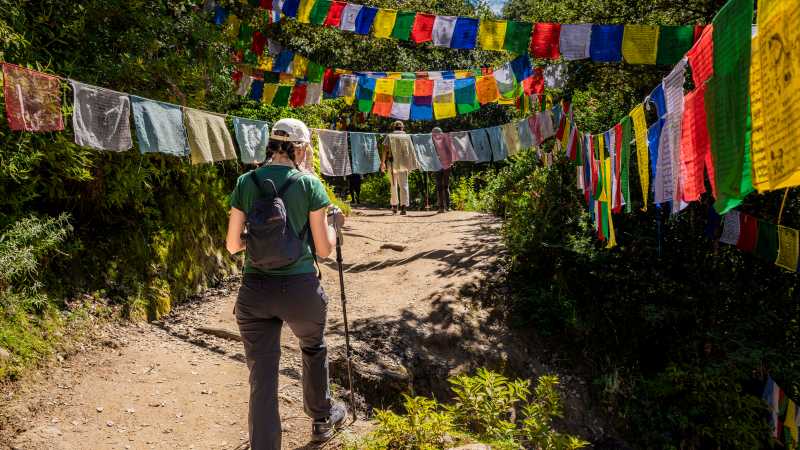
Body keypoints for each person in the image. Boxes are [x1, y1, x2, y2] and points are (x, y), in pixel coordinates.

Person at [225, 118, 347, 449]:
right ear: (298, 148)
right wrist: (334, 227)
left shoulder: (246, 182)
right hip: (300, 291)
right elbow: (323, 250)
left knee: (262, 374)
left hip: (255, 292)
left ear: (272, 146)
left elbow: (233, 245)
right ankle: (321, 418)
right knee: (313, 344)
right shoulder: (309, 185)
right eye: (306, 147)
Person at [380, 121, 418, 215]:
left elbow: (384, 149)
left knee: (393, 185)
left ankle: (394, 206)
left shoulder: (389, 136)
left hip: (392, 163)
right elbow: (411, 150)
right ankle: (404, 207)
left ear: (394, 127)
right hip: (404, 164)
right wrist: (412, 163)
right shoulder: (407, 137)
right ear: (402, 128)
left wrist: (382, 162)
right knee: (404, 185)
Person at [431, 127, 452, 213]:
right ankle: (448, 207)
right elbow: (451, 152)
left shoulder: (432, 142)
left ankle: (441, 207)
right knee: (446, 186)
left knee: (439, 186)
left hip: (437, 166)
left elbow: (431, 155)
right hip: (447, 165)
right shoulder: (446, 140)